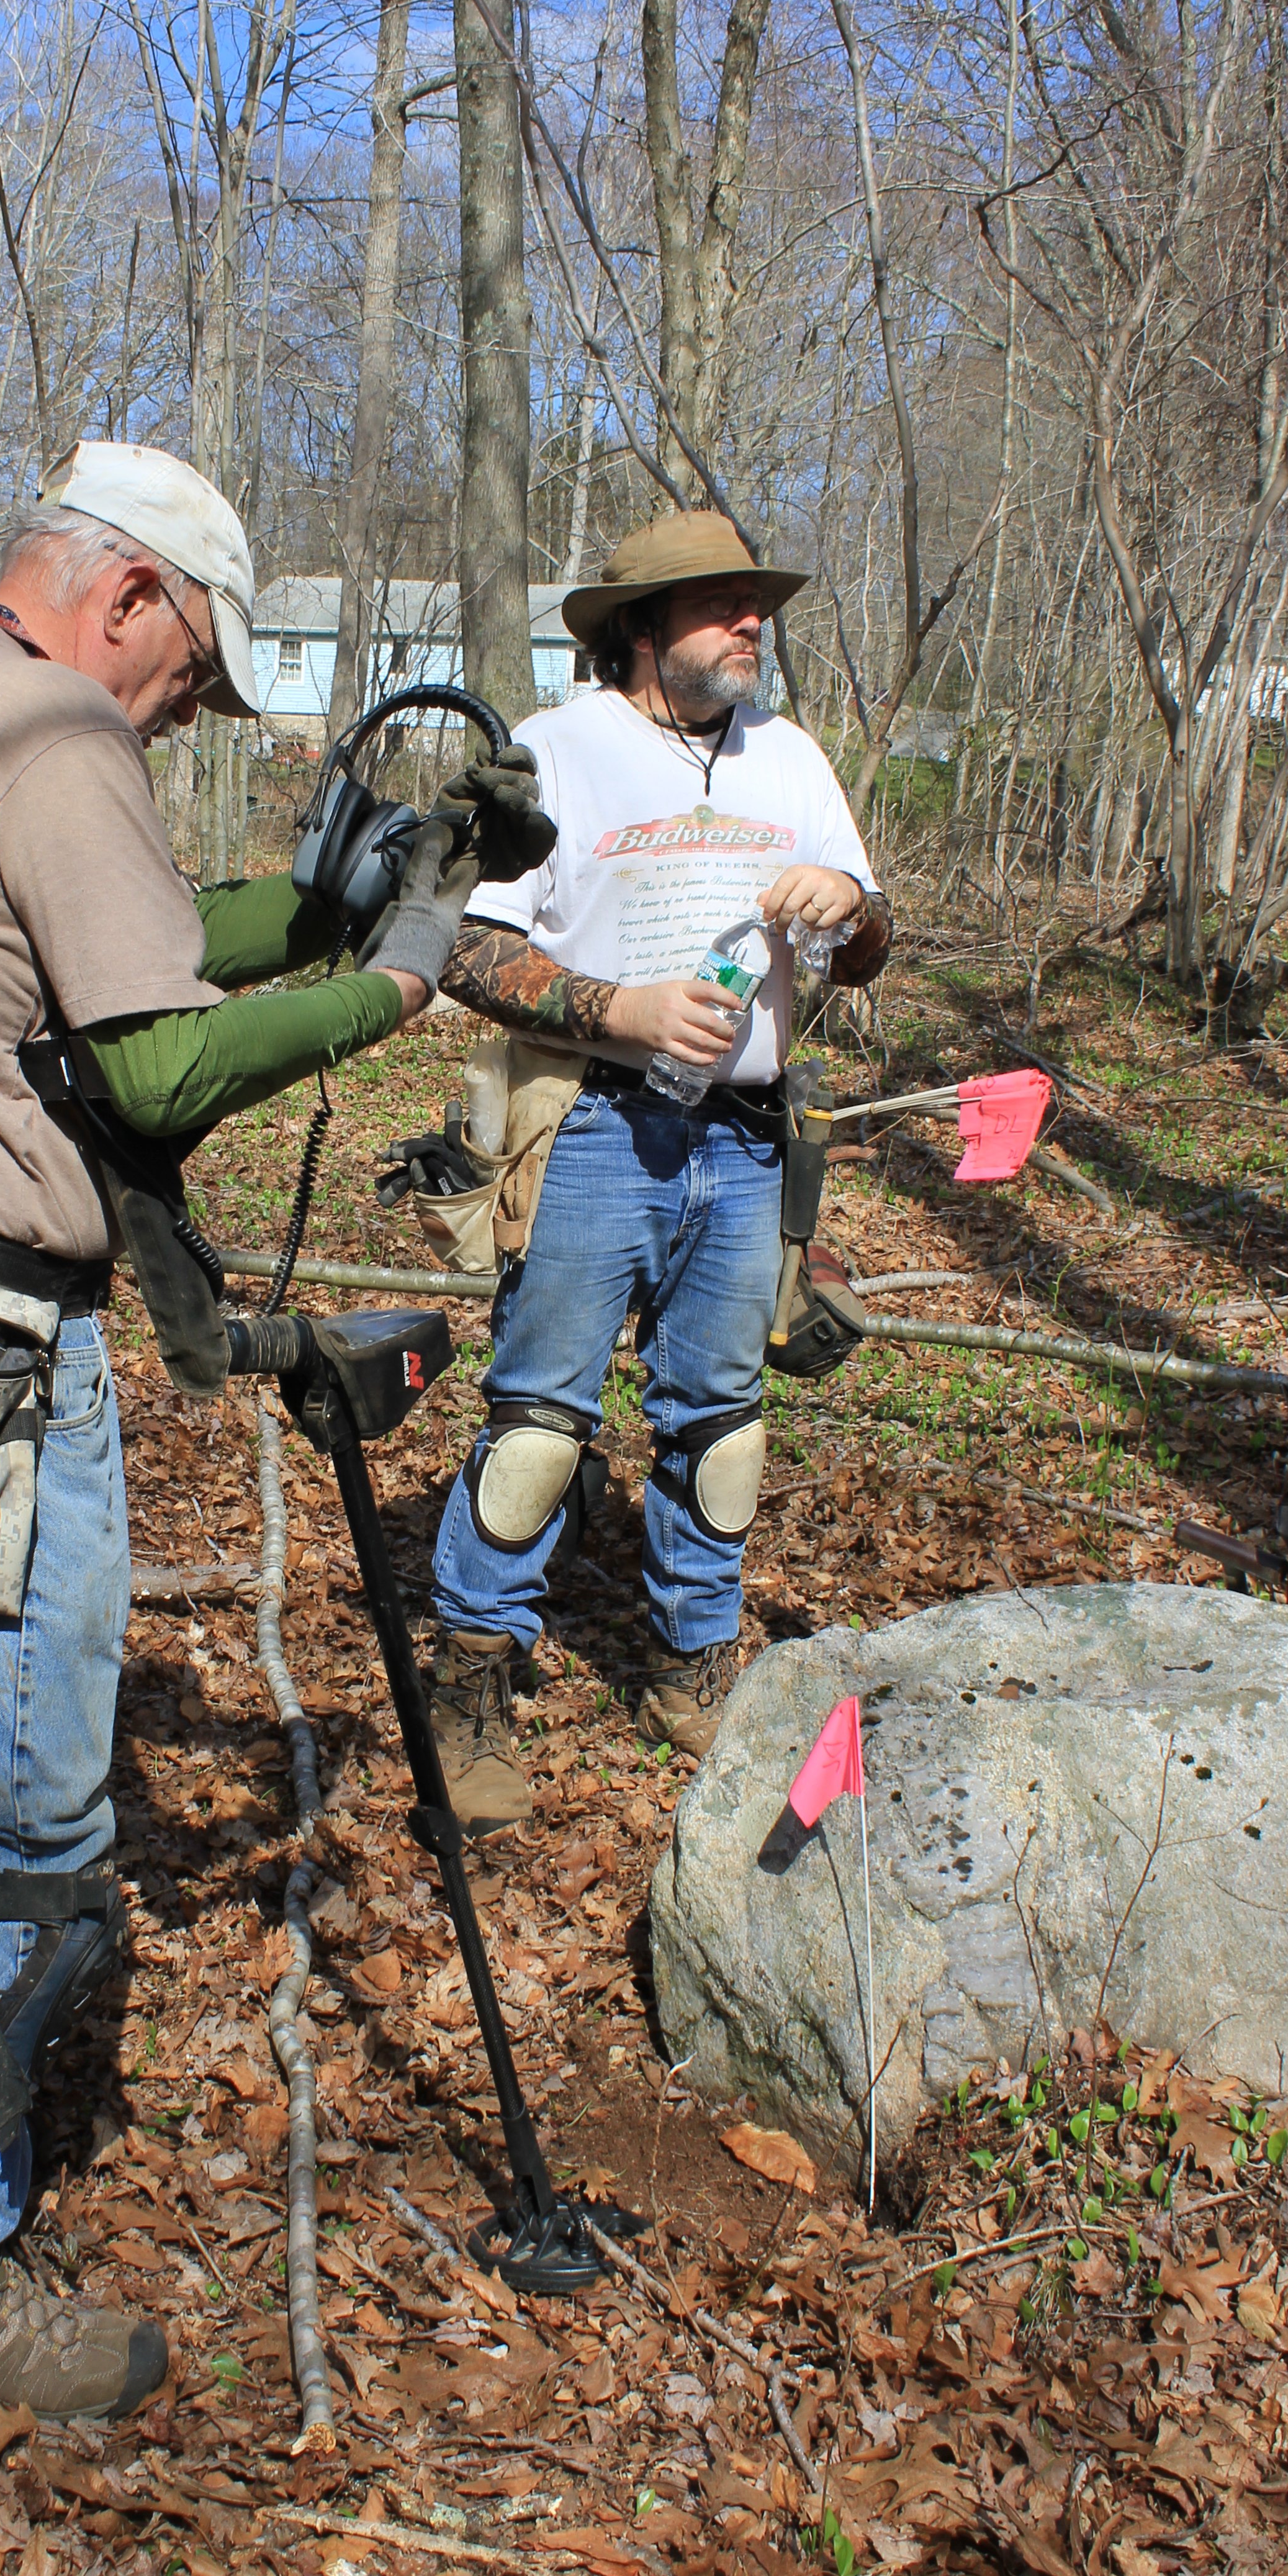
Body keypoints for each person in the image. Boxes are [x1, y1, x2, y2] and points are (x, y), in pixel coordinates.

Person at [0, 441, 533, 2422]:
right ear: (127, 602)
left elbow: (130, 955)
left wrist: (342, 898)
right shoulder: (60, 736)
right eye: (193, 670)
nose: (188, 712)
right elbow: (158, 1063)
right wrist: (400, 981)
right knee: (12, 1832)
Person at [425, 509, 893, 1832]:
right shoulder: (556, 751)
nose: (751, 624)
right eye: (719, 606)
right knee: (538, 1426)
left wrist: (846, 910)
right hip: (591, 1131)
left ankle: (696, 1666)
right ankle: (470, 1678)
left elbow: (869, 943)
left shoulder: (791, 759)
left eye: (757, 606)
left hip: (747, 1142)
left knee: (720, 1422)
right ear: (639, 627)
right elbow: (466, 948)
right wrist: (616, 1010)